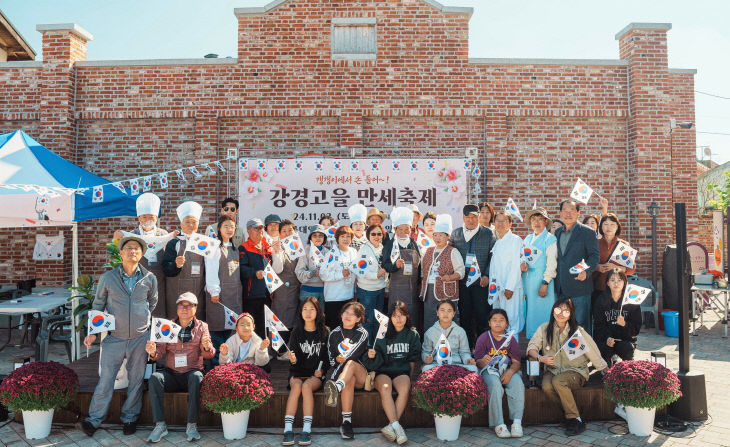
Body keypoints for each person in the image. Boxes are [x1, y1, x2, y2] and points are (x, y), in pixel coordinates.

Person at [79, 236, 157, 438]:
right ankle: (94, 420)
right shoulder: (108, 277)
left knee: (136, 381)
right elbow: (97, 306)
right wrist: (93, 333)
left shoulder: (149, 278)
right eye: (129, 248)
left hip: (140, 338)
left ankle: (130, 419)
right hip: (114, 338)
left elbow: (152, 303)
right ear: (121, 253)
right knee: (105, 380)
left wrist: (145, 326)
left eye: (137, 249)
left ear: (142, 254)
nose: (133, 252)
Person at [527, 298, 607, 436]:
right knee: (546, 386)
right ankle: (571, 417)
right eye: (558, 310)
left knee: (559, 381)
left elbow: (593, 353)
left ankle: (575, 419)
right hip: (553, 370)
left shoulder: (578, 331)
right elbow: (531, 348)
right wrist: (541, 358)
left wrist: (606, 370)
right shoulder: (544, 328)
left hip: (575, 371)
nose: (561, 313)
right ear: (553, 311)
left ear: (571, 314)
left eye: (566, 311)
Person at [145, 292, 214, 443]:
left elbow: (209, 355)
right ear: (177, 308)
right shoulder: (167, 326)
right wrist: (152, 352)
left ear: (195, 308)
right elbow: (160, 353)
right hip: (172, 374)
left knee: (197, 377)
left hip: (192, 372)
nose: (184, 308)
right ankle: (160, 425)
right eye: (181, 305)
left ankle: (192, 425)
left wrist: (207, 347)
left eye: (188, 305)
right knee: (155, 378)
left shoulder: (202, 326)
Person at [362, 301, 421, 445]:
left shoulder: (412, 334)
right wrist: (371, 355)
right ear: (390, 317)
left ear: (407, 316)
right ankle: (397, 427)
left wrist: (411, 377)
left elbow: (413, 359)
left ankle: (392, 426)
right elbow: (376, 362)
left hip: (401, 371)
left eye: (402, 315)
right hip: (383, 371)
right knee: (386, 388)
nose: (398, 319)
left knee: (404, 389)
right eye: (395, 316)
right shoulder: (383, 333)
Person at [113, 193, 174, 319]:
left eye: (151, 217)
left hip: (159, 278)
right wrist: (116, 238)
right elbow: (118, 254)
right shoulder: (131, 235)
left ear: (156, 218)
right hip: (137, 277)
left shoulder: (163, 234)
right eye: (144, 217)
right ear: (139, 218)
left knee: (158, 309)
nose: (147, 220)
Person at [282, 298, 330, 446]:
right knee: (297, 386)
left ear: (318, 311)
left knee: (306, 386)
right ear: (301, 312)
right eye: (305, 309)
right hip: (298, 371)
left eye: (312, 309)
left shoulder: (325, 331)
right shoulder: (297, 331)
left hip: (314, 374)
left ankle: (306, 429)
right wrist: (292, 358)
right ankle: (288, 429)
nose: (308, 312)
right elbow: (294, 360)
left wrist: (321, 370)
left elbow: (327, 357)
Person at [162, 201, 220, 320]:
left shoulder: (204, 243)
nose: (191, 225)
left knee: (196, 323)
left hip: (197, 290)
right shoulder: (174, 242)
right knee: (176, 321)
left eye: (194, 222)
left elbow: (211, 268)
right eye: (187, 222)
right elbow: (165, 268)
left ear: (198, 224)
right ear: (181, 223)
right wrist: (175, 265)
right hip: (176, 290)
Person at [323, 302, 370, 440]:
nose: (348, 316)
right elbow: (331, 358)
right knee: (349, 379)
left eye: (353, 314)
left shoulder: (362, 332)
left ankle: (336, 387)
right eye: (346, 312)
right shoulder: (334, 333)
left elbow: (352, 355)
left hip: (360, 373)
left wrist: (335, 377)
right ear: (341, 314)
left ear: (358, 319)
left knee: (350, 363)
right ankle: (346, 422)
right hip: (345, 377)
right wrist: (336, 360)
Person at [450, 204, 495, 348]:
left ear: (479, 217)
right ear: (463, 217)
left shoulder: (488, 233)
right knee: (465, 316)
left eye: (474, 217)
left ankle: (483, 348)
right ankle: (467, 348)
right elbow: (450, 255)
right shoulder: (456, 233)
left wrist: (487, 274)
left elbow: (492, 256)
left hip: (481, 284)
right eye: (468, 217)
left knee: (482, 316)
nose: (471, 220)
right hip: (462, 284)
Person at [474, 309, 524, 438]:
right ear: (489, 323)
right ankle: (499, 424)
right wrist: (482, 361)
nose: (498, 323)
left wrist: (510, 372)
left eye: (501, 320)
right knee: (495, 386)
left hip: (507, 370)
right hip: (489, 371)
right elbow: (477, 363)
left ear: (507, 324)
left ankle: (517, 422)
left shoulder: (510, 339)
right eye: (494, 320)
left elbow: (516, 362)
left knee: (518, 383)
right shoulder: (483, 338)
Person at [554, 199, 600, 335]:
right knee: (562, 324)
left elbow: (594, 256)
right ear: (560, 213)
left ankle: (585, 355)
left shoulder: (588, 232)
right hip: (560, 287)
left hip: (580, 287)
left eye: (572, 211)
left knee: (581, 325)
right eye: (565, 211)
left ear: (578, 213)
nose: (568, 214)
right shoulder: (557, 233)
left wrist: (586, 272)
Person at [207, 215, 243, 366]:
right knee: (217, 333)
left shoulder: (235, 248)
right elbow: (211, 270)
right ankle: (216, 369)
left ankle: (230, 367)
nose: (229, 229)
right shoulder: (214, 247)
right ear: (219, 229)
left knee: (233, 333)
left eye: (232, 227)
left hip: (234, 298)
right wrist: (214, 291)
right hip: (219, 299)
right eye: (226, 226)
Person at [419, 214, 464, 330]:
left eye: (441, 235)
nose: (437, 238)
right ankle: (430, 345)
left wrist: (449, 277)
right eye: (435, 235)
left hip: (446, 292)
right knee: (430, 319)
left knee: (447, 320)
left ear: (447, 236)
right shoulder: (428, 251)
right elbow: (423, 272)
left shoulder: (453, 251)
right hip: (429, 292)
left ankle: (449, 346)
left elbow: (461, 272)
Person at [383, 207, 422, 331]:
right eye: (401, 229)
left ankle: (413, 340)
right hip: (397, 289)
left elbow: (420, 265)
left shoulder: (414, 244)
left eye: (407, 229)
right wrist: (395, 266)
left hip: (412, 289)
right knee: (396, 314)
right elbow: (385, 265)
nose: (404, 232)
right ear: (395, 229)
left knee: (412, 316)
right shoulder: (390, 244)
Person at [592, 269, 642, 366]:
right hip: (607, 340)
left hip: (625, 339)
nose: (616, 283)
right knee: (603, 351)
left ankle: (626, 366)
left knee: (627, 349)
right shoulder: (601, 300)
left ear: (625, 282)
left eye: (619, 280)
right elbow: (598, 325)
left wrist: (625, 324)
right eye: (612, 280)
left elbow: (636, 329)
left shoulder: (632, 301)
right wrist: (606, 338)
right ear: (607, 283)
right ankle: (606, 363)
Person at [522, 208, 558, 339]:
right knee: (530, 314)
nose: (536, 222)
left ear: (545, 221)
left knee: (542, 314)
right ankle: (532, 351)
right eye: (533, 219)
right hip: (528, 282)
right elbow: (523, 257)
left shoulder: (550, 239)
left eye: (539, 219)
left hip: (542, 283)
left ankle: (544, 349)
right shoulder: (528, 238)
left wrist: (545, 282)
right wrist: (522, 264)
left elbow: (552, 264)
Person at [489, 211, 525, 336]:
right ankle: (500, 352)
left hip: (511, 289)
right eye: (497, 221)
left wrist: (509, 287)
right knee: (499, 322)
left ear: (510, 223)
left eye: (503, 221)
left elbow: (516, 266)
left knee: (511, 321)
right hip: (498, 289)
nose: (499, 224)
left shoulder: (515, 240)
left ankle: (512, 353)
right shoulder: (498, 242)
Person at [239, 218, 272, 339]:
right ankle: (251, 354)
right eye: (256, 228)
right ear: (248, 230)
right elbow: (241, 269)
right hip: (251, 295)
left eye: (261, 228)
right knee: (252, 326)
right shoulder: (243, 247)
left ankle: (262, 354)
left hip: (267, 294)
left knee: (265, 325)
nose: (260, 231)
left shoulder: (267, 246)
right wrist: (254, 273)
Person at [320, 226, 358, 329]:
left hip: (349, 297)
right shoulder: (331, 254)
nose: (345, 239)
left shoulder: (354, 252)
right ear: (337, 238)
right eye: (342, 236)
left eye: (348, 237)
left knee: (347, 328)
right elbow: (323, 274)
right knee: (334, 328)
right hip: (334, 298)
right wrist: (340, 274)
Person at [355, 223, 387, 344]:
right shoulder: (364, 249)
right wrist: (376, 275)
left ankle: (375, 347)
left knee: (378, 321)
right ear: (368, 235)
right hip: (367, 291)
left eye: (379, 234)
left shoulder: (382, 247)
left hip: (380, 288)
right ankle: (367, 348)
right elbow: (360, 270)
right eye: (373, 234)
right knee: (368, 321)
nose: (376, 236)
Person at [421, 300, 476, 371]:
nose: (446, 313)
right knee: (426, 368)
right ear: (437, 313)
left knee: (473, 368)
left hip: (456, 364)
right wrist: (426, 358)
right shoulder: (430, 332)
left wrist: (468, 360)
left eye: (449, 311)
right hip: (436, 364)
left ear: (454, 313)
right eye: (442, 310)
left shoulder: (460, 331)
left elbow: (464, 352)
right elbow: (426, 352)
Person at [271, 219, 302, 335]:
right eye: (284, 231)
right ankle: (279, 350)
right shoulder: (277, 248)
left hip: (297, 290)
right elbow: (277, 269)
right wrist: (278, 252)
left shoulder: (298, 248)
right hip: (282, 292)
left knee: (296, 319)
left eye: (290, 230)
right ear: (279, 234)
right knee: (281, 319)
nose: (288, 233)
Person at [592, 214, 636, 296]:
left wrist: (615, 267)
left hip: (617, 289)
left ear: (617, 227)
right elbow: (586, 263)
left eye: (612, 224)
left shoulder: (624, 244)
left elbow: (631, 269)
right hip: (597, 288)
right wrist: (597, 267)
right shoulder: (594, 243)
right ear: (601, 226)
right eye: (605, 224)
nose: (609, 227)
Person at [295, 225, 329, 307]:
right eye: (315, 235)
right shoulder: (305, 252)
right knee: (307, 318)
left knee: (321, 318)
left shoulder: (328, 252)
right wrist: (312, 273)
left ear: (324, 238)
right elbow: (299, 272)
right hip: (308, 292)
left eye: (320, 235)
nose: (318, 238)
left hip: (324, 292)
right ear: (310, 238)